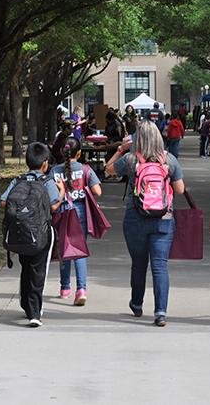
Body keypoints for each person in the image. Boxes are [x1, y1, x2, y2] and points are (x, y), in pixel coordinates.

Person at [106, 121, 185, 327]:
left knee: (138, 264)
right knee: (160, 266)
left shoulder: (130, 160)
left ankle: (137, 304)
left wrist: (121, 148)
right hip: (163, 219)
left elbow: (108, 170)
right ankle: (160, 313)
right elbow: (180, 190)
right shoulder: (170, 160)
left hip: (135, 217)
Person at [0, 142, 64, 327]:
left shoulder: (17, 180)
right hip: (41, 234)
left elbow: (4, 202)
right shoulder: (46, 181)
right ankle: (35, 313)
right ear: (45, 163)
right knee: (38, 271)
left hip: (21, 232)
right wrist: (62, 192)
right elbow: (53, 206)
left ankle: (26, 304)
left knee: (26, 268)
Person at [48, 137, 102, 307]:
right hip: (80, 213)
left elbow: (50, 193)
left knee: (64, 249)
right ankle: (82, 289)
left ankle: (65, 288)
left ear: (62, 152)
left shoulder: (54, 171)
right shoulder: (86, 169)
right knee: (79, 250)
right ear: (79, 153)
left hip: (61, 212)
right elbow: (98, 191)